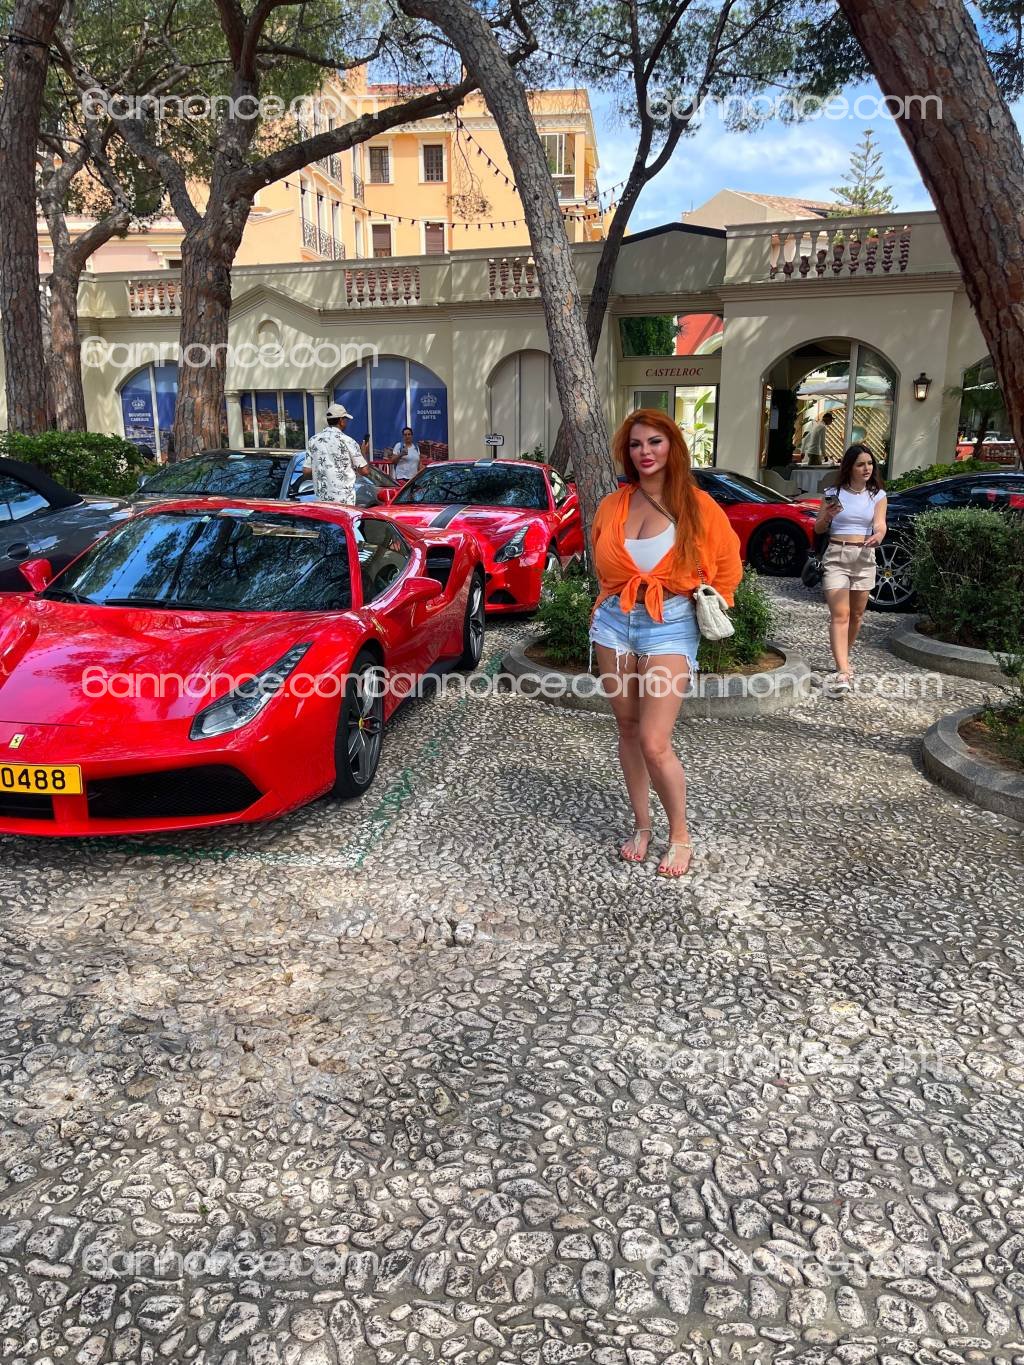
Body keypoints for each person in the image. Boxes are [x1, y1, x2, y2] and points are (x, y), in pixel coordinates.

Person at [590, 409, 742, 878]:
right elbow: (602, 558)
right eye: (636, 444)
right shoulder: (614, 504)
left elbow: (728, 563)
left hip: (671, 623)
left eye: (655, 442)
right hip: (615, 622)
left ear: (672, 446)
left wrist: (713, 598)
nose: (645, 452)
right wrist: (608, 598)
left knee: (655, 741)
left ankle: (679, 835)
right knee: (627, 728)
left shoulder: (697, 505)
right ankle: (642, 825)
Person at [814, 442, 888, 691]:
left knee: (856, 615)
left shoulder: (877, 495)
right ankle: (843, 670)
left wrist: (879, 534)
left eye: (870, 464)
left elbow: (880, 523)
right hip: (837, 555)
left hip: (864, 557)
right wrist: (828, 516)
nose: (867, 468)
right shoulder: (833, 493)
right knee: (841, 614)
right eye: (860, 465)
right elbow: (818, 528)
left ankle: (843, 657)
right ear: (850, 467)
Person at [306, 403, 367, 504]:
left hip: (322, 502)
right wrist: (363, 453)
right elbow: (364, 471)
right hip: (344, 502)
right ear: (341, 421)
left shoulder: (313, 440)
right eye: (345, 419)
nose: (346, 422)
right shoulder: (348, 441)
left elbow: (306, 471)